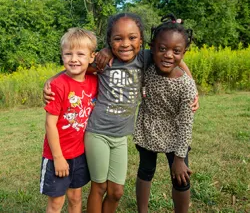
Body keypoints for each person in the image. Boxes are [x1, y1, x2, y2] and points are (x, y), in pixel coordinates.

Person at [43, 13, 198, 213]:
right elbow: (76, 69)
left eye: (132, 38)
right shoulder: (104, 61)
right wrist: (52, 80)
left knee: (116, 191)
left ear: (141, 42)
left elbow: (175, 56)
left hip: (120, 137)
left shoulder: (145, 58)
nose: (125, 44)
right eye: (118, 39)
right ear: (109, 41)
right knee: (99, 187)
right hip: (97, 132)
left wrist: (192, 87)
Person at [133, 14, 197, 213]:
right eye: (163, 49)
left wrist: (179, 159)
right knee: (145, 170)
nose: (169, 55)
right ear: (152, 48)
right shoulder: (148, 66)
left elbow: (186, 124)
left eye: (176, 51)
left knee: (180, 177)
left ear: (183, 53)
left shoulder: (185, 86)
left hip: (176, 132)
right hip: (148, 126)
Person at [40, 28, 98, 213]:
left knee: (75, 198)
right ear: (62, 56)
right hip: (57, 155)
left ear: (91, 57)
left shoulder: (93, 81)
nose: (74, 59)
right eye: (68, 54)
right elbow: (50, 123)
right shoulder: (57, 86)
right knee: (56, 203)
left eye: (80, 54)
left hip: (80, 154)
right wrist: (58, 158)